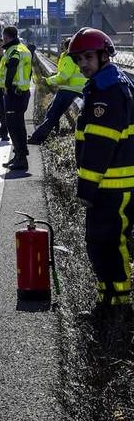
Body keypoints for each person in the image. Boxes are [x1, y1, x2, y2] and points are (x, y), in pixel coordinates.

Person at [68, 28, 133, 315]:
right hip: (110, 185)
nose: (83, 64)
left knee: (110, 243)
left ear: (105, 55)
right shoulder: (105, 85)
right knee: (101, 243)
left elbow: (98, 148)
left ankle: (119, 306)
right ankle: (107, 299)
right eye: (79, 58)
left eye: (88, 57)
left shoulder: (107, 92)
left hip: (112, 186)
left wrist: (86, 188)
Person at [28, 35, 85, 144]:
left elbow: (63, 76)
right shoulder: (79, 56)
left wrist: (48, 80)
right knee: (52, 111)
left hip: (68, 90)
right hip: (78, 90)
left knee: (52, 114)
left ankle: (38, 138)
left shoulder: (69, 57)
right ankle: (49, 133)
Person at [0, 26, 33, 171]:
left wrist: (7, 87)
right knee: (18, 125)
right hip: (22, 92)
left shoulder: (15, 51)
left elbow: (12, 67)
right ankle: (19, 155)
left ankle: (21, 158)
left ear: (6, 37)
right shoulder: (24, 49)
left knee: (14, 126)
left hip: (14, 93)